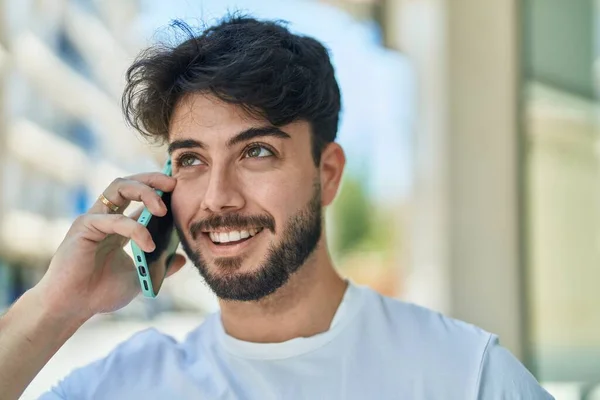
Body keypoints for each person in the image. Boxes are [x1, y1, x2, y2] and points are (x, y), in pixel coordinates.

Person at [0, 15, 553, 400]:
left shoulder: (466, 375)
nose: (218, 196)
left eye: (256, 151)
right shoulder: (121, 384)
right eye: (190, 160)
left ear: (327, 174)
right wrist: (55, 305)